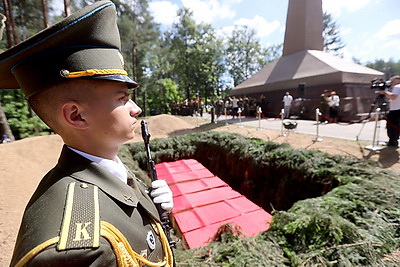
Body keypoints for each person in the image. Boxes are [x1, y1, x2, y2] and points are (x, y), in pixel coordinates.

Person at [0, 1, 174, 266]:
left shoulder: (110, 170)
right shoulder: (72, 248)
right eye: (122, 98)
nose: (136, 109)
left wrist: (153, 210)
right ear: (76, 116)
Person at [382, 76, 400, 147]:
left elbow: (393, 97)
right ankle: (394, 141)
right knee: (396, 126)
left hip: (395, 110)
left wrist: (384, 92)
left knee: (391, 126)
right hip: (397, 109)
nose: (391, 82)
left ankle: (392, 141)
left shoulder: (397, 87)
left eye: (393, 81)